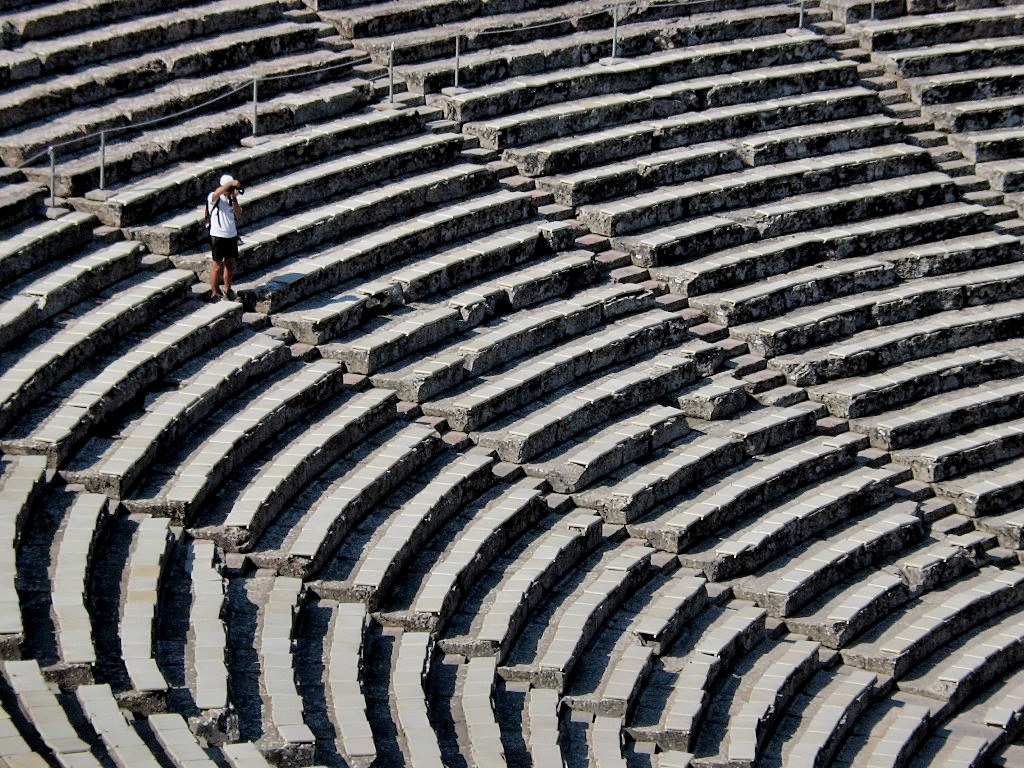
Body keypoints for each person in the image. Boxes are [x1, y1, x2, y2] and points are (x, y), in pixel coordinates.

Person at [208, 173, 242, 300]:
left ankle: (228, 290)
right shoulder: (213, 197)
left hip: (231, 235)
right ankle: (214, 292)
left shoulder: (231, 199)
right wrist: (232, 184)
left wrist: (234, 198)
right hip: (218, 235)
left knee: (230, 264)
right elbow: (218, 192)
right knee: (217, 265)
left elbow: (238, 214)